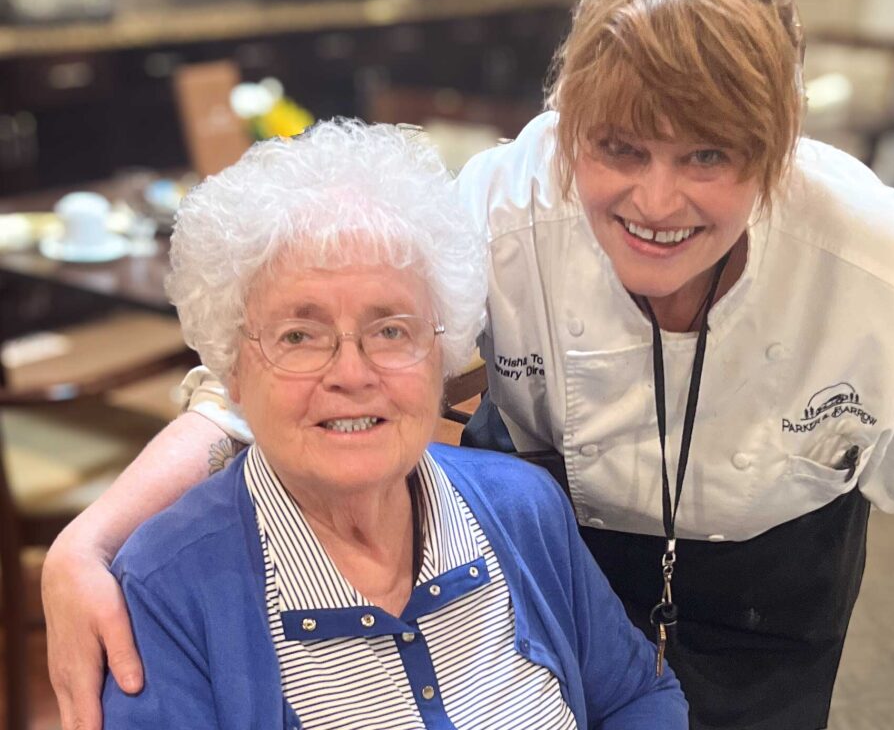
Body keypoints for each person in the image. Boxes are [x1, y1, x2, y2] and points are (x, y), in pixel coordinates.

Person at [45, 0, 894, 730]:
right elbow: (296, 372)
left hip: (775, 593)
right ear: (570, 129)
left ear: (773, 153)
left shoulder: (860, 252)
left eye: (708, 158)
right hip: (556, 566)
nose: (655, 201)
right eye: (619, 150)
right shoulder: (506, 207)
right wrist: (93, 539)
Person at [100, 119, 687, 729]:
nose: (351, 374)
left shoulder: (523, 510)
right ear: (234, 368)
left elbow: (636, 697)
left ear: (442, 352)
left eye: (390, 330)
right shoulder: (165, 591)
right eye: (300, 335)